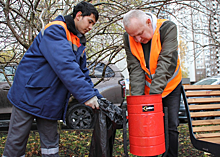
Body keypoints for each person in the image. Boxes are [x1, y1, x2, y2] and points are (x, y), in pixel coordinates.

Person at [3, 1, 102, 157]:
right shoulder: (56, 29)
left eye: (93, 24)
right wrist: (87, 95)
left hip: (49, 98)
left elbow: (82, 73)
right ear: (78, 16)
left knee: (51, 144)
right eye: (89, 21)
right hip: (29, 93)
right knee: (17, 140)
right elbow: (65, 64)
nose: (90, 27)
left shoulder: (78, 40)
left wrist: (97, 97)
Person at [123, 10, 182, 157]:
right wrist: (138, 103)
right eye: (133, 36)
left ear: (149, 22)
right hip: (148, 90)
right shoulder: (129, 37)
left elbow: (166, 63)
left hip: (170, 86)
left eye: (140, 33)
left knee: (170, 126)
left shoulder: (167, 28)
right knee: (146, 125)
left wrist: (153, 100)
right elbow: (135, 70)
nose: (137, 39)